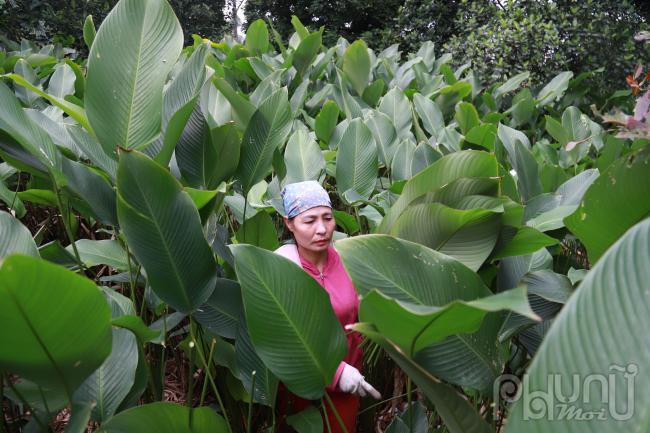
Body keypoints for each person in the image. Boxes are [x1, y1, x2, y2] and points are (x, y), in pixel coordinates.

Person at [274, 180, 381, 433]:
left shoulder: (350, 260)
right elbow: (284, 337)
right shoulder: (281, 269)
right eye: (309, 221)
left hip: (349, 384)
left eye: (327, 218)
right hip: (299, 386)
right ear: (289, 223)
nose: (321, 229)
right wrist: (335, 373)